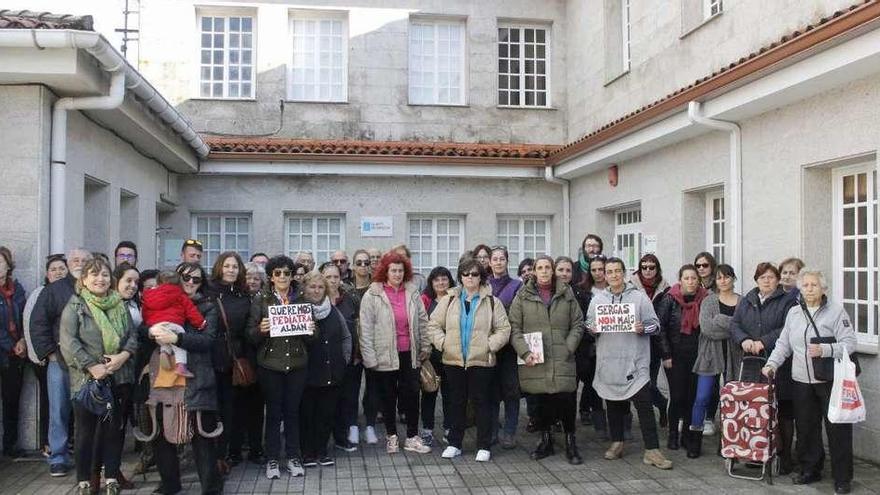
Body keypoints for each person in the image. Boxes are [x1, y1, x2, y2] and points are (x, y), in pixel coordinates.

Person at [761, 269, 856, 494]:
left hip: (828, 379)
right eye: (805, 285)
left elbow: (850, 343)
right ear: (800, 289)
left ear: (823, 289)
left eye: (814, 285)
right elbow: (784, 343)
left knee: (837, 429)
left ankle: (842, 478)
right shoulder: (794, 312)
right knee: (806, 428)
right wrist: (772, 364)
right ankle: (810, 469)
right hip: (801, 380)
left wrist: (825, 349)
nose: (810, 289)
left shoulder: (835, 311)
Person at [59, 257, 139, 495]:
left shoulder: (119, 305)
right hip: (87, 381)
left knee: (114, 430)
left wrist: (122, 356)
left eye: (105, 275)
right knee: (85, 432)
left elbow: (132, 337)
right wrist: (92, 366)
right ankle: (84, 480)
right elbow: (68, 342)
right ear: (83, 279)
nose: (100, 279)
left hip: (118, 376)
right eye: (94, 274)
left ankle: (112, 477)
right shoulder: (75, 306)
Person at [143, 262, 223, 495]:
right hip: (163, 376)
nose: (189, 282)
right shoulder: (158, 297)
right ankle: (170, 484)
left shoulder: (208, 306)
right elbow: (141, 329)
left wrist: (177, 338)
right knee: (161, 433)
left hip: (196, 377)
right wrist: (151, 332)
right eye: (185, 277)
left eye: (195, 279)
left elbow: (207, 340)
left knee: (202, 435)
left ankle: (211, 488)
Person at [586, 257, 672, 470]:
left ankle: (652, 450)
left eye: (617, 271)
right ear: (604, 275)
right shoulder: (598, 301)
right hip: (609, 360)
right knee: (613, 402)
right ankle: (617, 442)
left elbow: (656, 326)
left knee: (643, 406)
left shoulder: (639, 298)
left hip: (635, 361)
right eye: (610, 272)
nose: (614, 275)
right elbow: (588, 323)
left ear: (624, 273)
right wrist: (592, 328)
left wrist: (644, 328)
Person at [427, 257, 511, 462]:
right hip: (454, 361)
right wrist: (444, 343)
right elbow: (433, 325)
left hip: (481, 361)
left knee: (482, 402)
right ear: (460, 277)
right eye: (466, 274)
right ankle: (455, 443)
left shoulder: (492, 301)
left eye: (475, 274)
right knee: (456, 403)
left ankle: (483, 445)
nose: (470, 277)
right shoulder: (449, 299)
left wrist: (489, 346)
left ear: (481, 276)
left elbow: (504, 328)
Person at [509, 255, 584, 465]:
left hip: (562, 357)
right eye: (539, 268)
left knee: (566, 399)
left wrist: (569, 346)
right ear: (533, 271)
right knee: (541, 401)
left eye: (547, 268)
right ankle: (546, 440)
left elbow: (578, 323)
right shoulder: (522, 296)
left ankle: (570, 442)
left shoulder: (566, 293)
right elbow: (514, 327)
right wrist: (525, 352)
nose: (543, 271)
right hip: (536, 358)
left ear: (552, 271)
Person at [359, 251, 432, 455]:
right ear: (386, 271)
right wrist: (369, 357)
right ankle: (391, 436)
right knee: (387, 397)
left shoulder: (412, 291)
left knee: (411, 395)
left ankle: (411, 436)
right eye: (393, 270)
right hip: (384, 353)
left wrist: (425, 346)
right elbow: (365, 329)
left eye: (401, 270)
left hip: (410, 352)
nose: (397, 274)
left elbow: (423, 321)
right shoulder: (373, 294)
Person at [247, 256, 314, 479]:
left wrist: (311, 329)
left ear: (293, 275)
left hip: (296, 364)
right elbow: (251, 335)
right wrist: (261, 329)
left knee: (292, 413)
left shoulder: (302, 298)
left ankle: (294, 457)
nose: (283, 277)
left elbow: (313, 338)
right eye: (278, 273)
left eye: (287, 273)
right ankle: (273, 459)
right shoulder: (261, 300)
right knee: (274, 414)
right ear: (271, 277)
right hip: (270, 365)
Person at [30, 247, 93, 477]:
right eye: (75, 260)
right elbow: (38, 323)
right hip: (60, 362)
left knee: (89, 410)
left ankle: (89, 456)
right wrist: (49, 353)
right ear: (68, 263)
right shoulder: (54, 290)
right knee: (58, 411)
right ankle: (58, 457)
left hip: (91, 363)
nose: (79, 263)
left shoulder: (98, 287)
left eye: (84, 260)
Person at [730, 262, 797, 474]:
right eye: (762, 278)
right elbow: (735, 324)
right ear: (756, 280)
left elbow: (786, 328)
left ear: (777, 280)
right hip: (752, 364)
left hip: (780, 365)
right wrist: (744, 340)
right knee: (755, 409)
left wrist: (763, 342)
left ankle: (784, 457)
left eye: (770, 277)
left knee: (782, 412)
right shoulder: (748, 299)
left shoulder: (788, 301)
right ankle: (755, 453)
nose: (766, 281)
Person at [211, 252, 263, 467]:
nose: (231, 270)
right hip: (218, 357)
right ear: (219, 268)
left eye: (235, 266)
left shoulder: (245, 295)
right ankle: (225, 453)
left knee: (248, 406)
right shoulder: (210, 291)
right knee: (224, 409)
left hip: (243, 356)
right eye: (227, 266)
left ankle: (251, 449)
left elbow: (250, 326)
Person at [299, 271, 351, 467]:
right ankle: (308, 452)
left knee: (326, 415)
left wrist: (344, 359)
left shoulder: (333, 311)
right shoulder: (298, 310)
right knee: (307, 415)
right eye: (312, 286)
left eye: (320, 287)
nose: (317, 290)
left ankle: (322, 450)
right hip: (307, 373)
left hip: (332, 372)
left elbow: (346, 337)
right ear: (304, 289)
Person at [656, 264, 709, 452]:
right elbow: (660, 327)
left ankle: (687, 435)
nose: (691, 281)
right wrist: (666, 354)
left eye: (694, 278)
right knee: (677, 396)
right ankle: (672, 435)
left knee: (691, 397)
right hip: (675, 355)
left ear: (698, 280)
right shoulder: (670, 298)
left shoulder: (705, 299)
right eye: (686, 278)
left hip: (697, 356)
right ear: (681, 280)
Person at [689, 264, 739, 458]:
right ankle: (695, 440)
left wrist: (720, 319)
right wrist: (731, 325)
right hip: (710, 354)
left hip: (734, 356)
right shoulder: (709, 301)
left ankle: (727, 441)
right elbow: (707, 329)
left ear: (733, 278)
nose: (723, 281)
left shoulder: (742, 302)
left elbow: (742, 328)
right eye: (719, 278)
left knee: (730, 399)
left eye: (727, 277)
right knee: (702, 397)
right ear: (715, 281)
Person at [23, 253, 69, 458]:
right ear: (46, 273)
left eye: (62, 268)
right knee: (53, 406)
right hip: (49, 359)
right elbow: (32, 325)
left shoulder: (73, 291)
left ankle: (66, 444)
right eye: (54, 269)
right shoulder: (41, 293)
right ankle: (51, 447)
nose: (58, 272)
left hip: (72, 360)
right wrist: (43, 355)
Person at [556, 256, 602, 435]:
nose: (564, 274)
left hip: (578, 350)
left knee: (575, 389)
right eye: (560, 270)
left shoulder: (581, 293)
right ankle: (554, 422)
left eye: (568, 270)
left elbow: (585, 321)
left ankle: (572, 430)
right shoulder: (545, 292)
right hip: (554, 349)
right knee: (559, 391)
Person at [318, 262, 360, 452]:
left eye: (336, 277)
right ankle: (321, 441)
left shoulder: (349, 298)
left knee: (346, 400)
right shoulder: (315, 299)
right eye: (328, 277)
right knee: (325, 403)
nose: (333, 281)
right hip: (322, 361)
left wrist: (356, 353)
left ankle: (341, 438)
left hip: (346, 358)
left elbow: (358, 327)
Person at [487, 246, 523, 449]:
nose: (498, 262)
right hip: (489, 345)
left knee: (511, 391)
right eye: (495, 259)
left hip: (509, 346)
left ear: (507, 261)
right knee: (490, 390)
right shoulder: (484, 285)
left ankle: (509, 432)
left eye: (502, 259)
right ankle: (492, 431)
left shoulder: (517, 285)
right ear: (490, 262)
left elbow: (517, 312)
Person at [630, 253, 670, 429]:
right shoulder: (630, 286)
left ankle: (662, 405)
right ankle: (657, 407)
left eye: (651, 267)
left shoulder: (665, 289)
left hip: (654, 343)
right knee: (634, 383)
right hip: (634, 342)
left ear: (657, 269)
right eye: (644, 267)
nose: (647, 271)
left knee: (650, 383)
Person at [141, 271, 207, 378]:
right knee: (179, 343)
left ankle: (164, 352)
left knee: (165, 340)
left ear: (158, 282)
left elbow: (145, 311)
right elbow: (191, 311)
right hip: (174, 324)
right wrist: (201, 323)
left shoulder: (150, 295)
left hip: (157, 326)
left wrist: (149, 323)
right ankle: (181, 366)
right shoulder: (179, 294)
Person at [418, 266, 455, 446]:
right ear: (431, 283)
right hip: (431, 355)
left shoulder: (455, 299)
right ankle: (427, 430)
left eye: (444, 279)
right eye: (437, 280)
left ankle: (449, 428)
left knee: (450, 394)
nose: (441, 283)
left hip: (451, 354)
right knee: (429, 393)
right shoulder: (425, 300)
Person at [348, 249, 379, 444]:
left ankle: (370, 425)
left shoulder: (377, 289)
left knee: (373, 387)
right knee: (351, 387)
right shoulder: (345, 289)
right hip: (352, 346)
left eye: (366, 263)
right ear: (352, 266)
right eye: (358, 263)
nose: (362, 266)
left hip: (374, 343)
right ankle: (352, 425)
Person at [0, 246, 28, 458]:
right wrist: (12, 344)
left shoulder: (17, 290)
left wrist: (22, 340)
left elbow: (26, 319)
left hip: (15, 357)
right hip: (5, 350)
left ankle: (10, 446)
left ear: (8, 266)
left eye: (1, 262)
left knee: (12, 402)